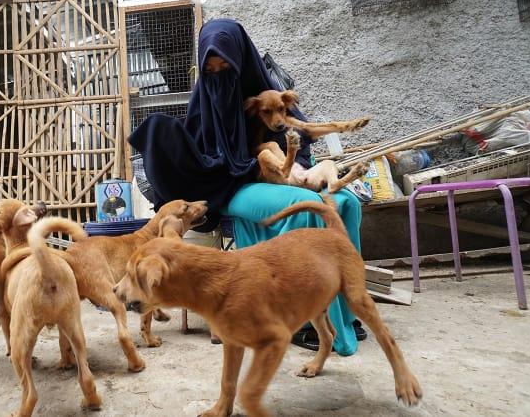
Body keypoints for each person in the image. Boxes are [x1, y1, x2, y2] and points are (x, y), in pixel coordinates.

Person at [128, 18, 364, 355]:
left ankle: (349, 310)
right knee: (302, 210)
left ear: (240, 58)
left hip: (275, 174)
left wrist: (301, 168)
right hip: (232, 188)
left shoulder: (267, 95)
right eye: (210, 68)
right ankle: (301, 321)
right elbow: (201, 157)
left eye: (226, 64)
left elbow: (302, 139)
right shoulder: (204, 103)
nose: (218, 72)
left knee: (346, 203)